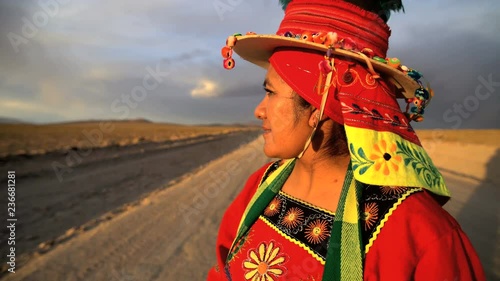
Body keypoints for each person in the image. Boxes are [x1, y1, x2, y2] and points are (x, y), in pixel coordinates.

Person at [208, 0, 486, 280]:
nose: (259, 111)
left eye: (270, 93)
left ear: (319, 106)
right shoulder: (260, 185)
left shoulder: (420, 232)